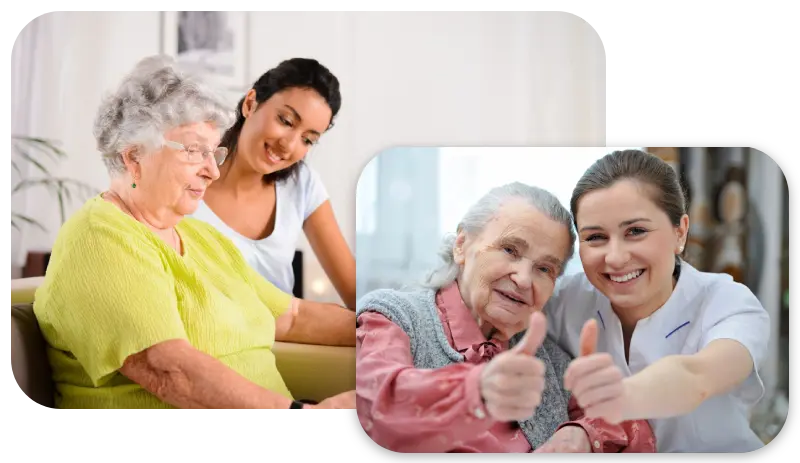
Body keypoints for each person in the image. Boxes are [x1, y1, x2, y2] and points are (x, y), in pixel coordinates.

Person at [32, 55, 356, 411]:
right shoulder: (99, 237)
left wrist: (391, 327)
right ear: (134, 156)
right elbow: (170, 370)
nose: (211, 172)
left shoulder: (201, 238)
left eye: (212, 152)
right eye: (193, 151)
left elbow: (291, 315)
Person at [355, 182, 656, 453]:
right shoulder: (394, 317)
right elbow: (376, 402)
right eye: (510, 250)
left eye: (544, 269)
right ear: (462, 245)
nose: (524, 279)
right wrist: (478, 389)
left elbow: (632, 425)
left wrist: (582, 435)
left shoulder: (548, 360)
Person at [546, 149, 770, 453]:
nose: (615, 258)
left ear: (680, 232)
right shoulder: (565, 301)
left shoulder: (727, 302)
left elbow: (697, 377)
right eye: (595, 237)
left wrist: (617, 400)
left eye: (635, 231)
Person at [190, 58, 356, 309]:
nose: (288, 145)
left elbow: (356, 293)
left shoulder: (302, 183)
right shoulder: (185, 174)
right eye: (286, 121)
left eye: (308, 140)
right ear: (250, 104)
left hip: (287, 342)